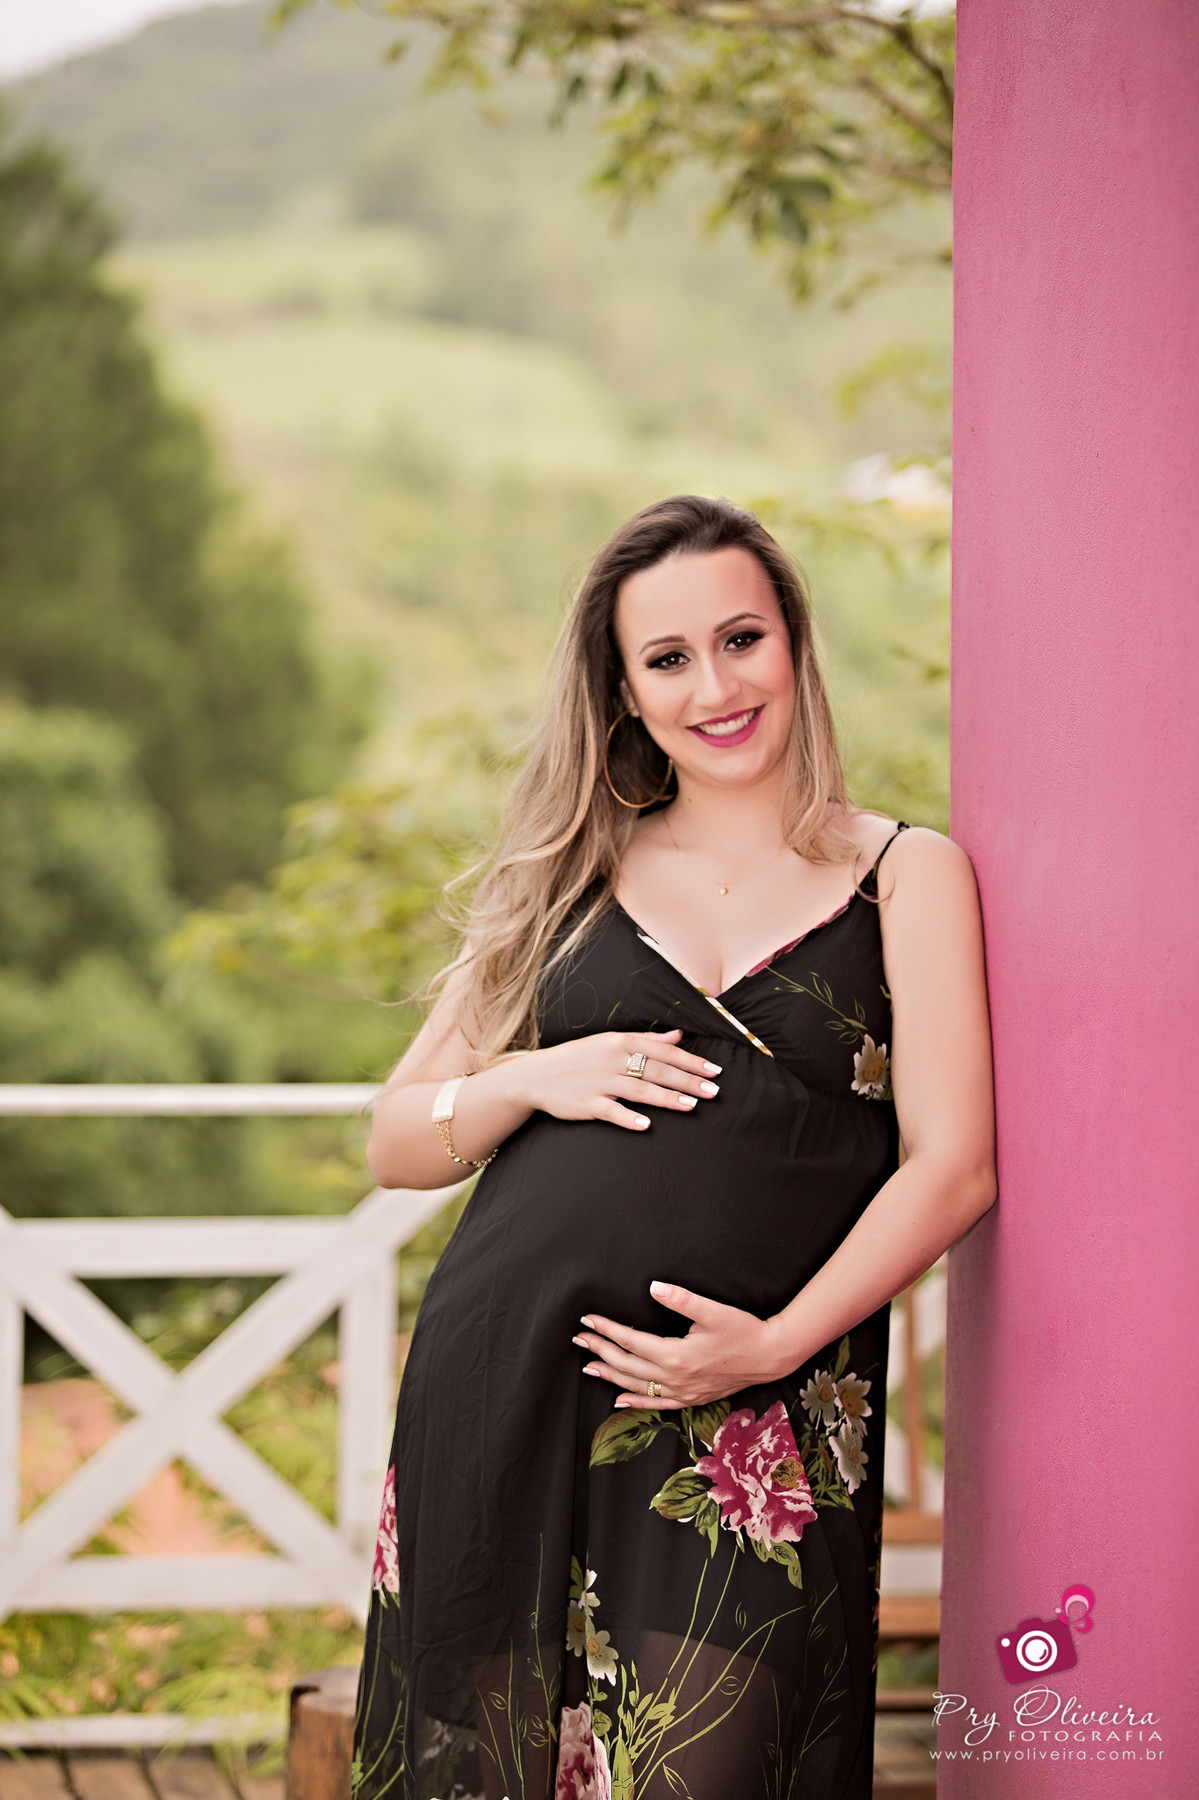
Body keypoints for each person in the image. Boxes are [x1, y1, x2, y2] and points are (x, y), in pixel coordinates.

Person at [353, 495, 996, 1800]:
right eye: (668, 658)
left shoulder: (905, 873)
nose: (716, 687)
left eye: (741, 639)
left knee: (720, 1770)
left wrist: (776, 1343)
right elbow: (396, 1140)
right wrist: (531, 1076)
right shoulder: (565, 874)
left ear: (794, 643)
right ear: (624, 693)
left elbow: (953, 1166)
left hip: (754, 1407)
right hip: (506, 1385)